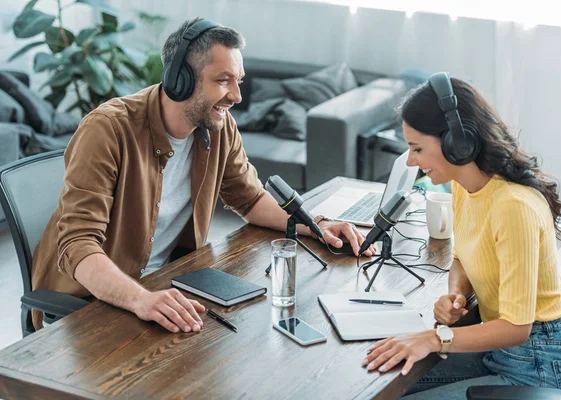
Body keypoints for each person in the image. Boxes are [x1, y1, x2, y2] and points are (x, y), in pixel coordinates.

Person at [31, 18, 375, 333]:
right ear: (179, 81)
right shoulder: (108, 129)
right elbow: (78, 244)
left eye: (237, 81)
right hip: (91, 301)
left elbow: (251, 199)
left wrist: (315, 225)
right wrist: (141, 299)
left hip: (163, 286)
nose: (237, 97)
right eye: (223, 81)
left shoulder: (218, 126)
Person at [360, 73, 561, 399]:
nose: (411, 160)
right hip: (496, 348)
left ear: (457, 143)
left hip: (540, 366)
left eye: (417, 148)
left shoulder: (513, 206)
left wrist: (433, 338)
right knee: (386, 381)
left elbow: (516, 327)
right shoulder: (464, 186)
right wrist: (457, 295)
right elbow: (461, 258)